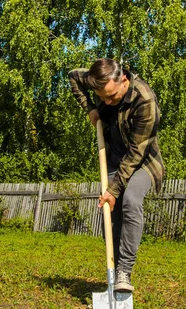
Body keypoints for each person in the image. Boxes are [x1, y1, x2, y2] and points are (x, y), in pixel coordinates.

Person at [68, 58, 164, 292]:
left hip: (142, 163)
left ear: (123, 80)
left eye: (111, 96)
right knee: (110, 216)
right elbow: (73, 76)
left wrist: (113, 190)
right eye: (102, 97)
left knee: (130, 200)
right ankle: (114, 273)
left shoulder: (145, 101)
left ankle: (124, 271)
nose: (107, 102)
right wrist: (90, 108)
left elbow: (136, 154)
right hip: (112, 160)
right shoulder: (98, 79)